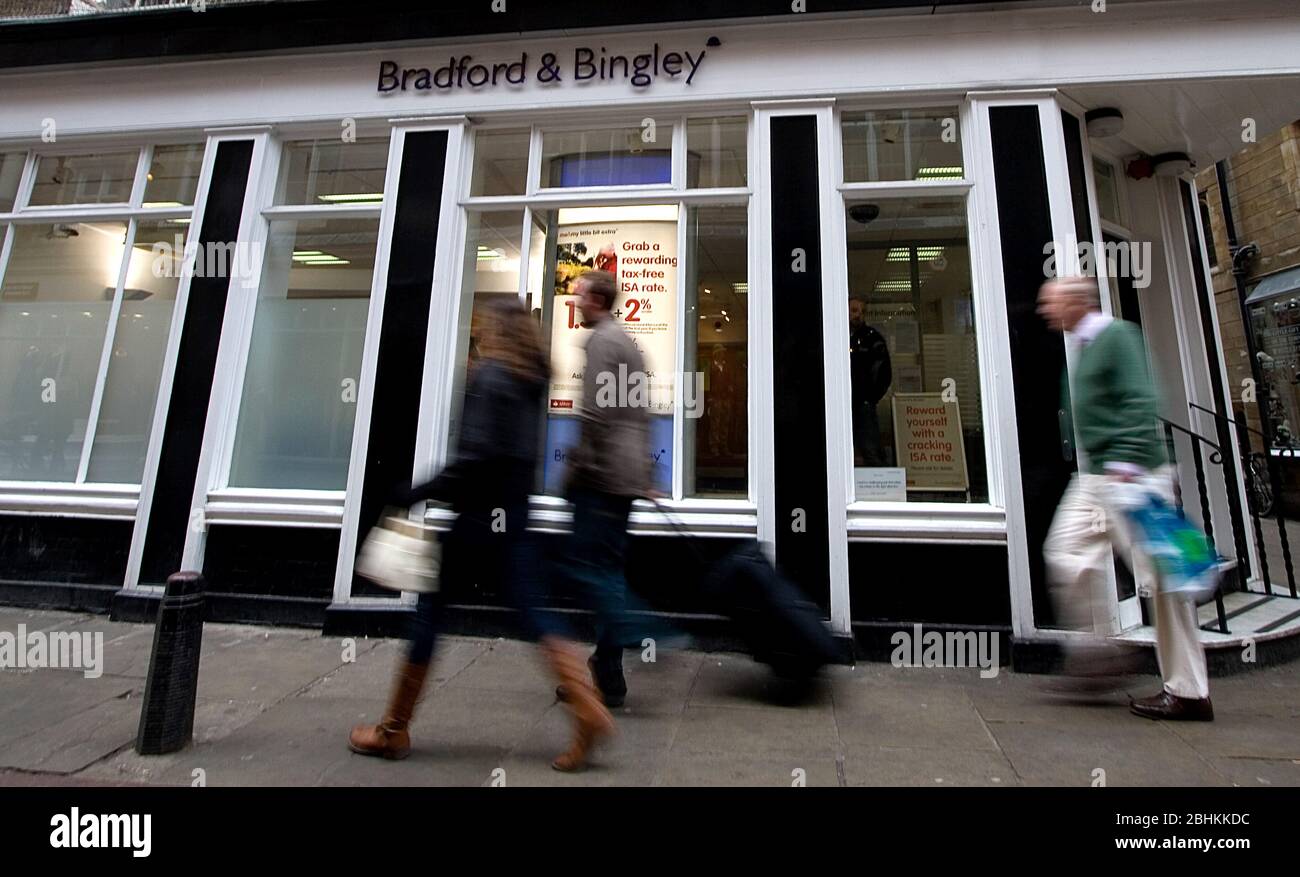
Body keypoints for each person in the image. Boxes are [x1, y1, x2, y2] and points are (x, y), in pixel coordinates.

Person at [348, 298, 614, 771]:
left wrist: (417, 491)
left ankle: (393, 730)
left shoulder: (489, 378)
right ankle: (587, 708)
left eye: (485, 327)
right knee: (534, 613)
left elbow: (475, 458)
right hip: (514, 518)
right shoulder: (533, 381)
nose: (481, 334)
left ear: (496, 332)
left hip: (474, 521)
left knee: (429, 614)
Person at [1037, 276, 1213, 721]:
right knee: (1064, 550)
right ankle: (1100, 655)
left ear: (1076, 303)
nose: (1044, 310)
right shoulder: (1080, 345)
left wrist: (1129, 459)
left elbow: (1141, 397)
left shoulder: (1117, 337)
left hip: (1133, 476)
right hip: (1095, 478)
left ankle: (1190, 692)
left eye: (1051, 302)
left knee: (1164, 585)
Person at [557, 270, 653, 708]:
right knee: (606, 567)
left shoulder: (600, 342)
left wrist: (575, 468)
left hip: (603, 477)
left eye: (578, 296)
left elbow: (596, 413)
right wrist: (645, 477)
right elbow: (639, 412)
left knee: (591, 570)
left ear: (596, 299)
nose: (574, 302)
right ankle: (608, 673)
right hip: (625, 476)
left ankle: (637, 631)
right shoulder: (627, 341)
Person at [848, 296, 892, 467]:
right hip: (841, 403)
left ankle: (880, 487)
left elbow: (883, 373)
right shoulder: (835, 336)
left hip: (863, 404)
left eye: (862, 311)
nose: (858, 315)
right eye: (854, 310)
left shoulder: (873, 339)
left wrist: (870, 398)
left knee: (870, 449)